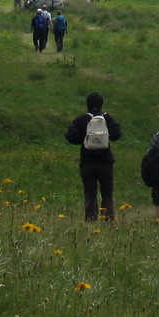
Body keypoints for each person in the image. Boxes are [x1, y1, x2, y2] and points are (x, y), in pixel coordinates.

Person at [65, 92, 123, 222]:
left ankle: (90, 219)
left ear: (87, 105)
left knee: (90, 193)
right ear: (102, 105)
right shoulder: (107, 118)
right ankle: (108, 219)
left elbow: (70, 136)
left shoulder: (81, 119)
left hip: (87, 162)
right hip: (105, 161)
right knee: (107, 193)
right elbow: (117, 134)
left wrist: (84, 139)